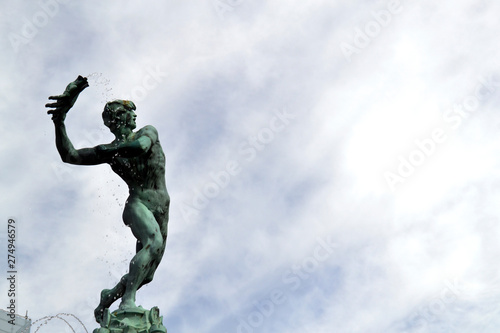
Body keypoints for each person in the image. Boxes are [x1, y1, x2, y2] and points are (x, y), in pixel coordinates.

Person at [46, 76, 170, 323]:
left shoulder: (147, 132)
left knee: (147, 274)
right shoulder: (109, 152)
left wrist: (110, 151)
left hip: (162, 205)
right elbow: (69, 156)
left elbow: (140, 146)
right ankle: (127, 301)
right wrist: (59, 121)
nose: (135, 117)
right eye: (129, 113)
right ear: (118, 119)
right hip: (137, 204)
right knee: (153, 242)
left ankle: (109, 297)